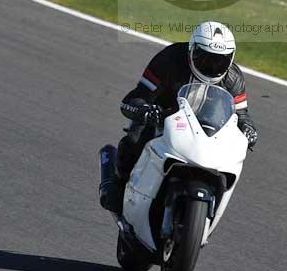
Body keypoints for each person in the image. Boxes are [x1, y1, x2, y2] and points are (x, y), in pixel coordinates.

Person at [99, 21, 258, 212]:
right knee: (134, 140)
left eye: (219, 60)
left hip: (205, 130)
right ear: (192, 49)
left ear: (230, 59)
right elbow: (135, 98)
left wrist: (249, 130)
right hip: (163, 118)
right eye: (205, 58)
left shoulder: (233, 77)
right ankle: (118, 184)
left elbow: (242, 115)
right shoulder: (170, 59)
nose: (211, 66)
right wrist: (146, 111)